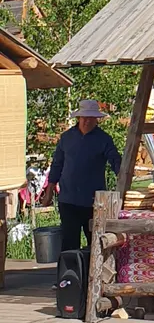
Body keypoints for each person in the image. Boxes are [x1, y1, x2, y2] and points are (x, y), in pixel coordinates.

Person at [40, 99, 122, 251]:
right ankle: (71, 267)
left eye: (91, 118)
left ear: (96, 119)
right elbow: (57, 165)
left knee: (96, 243)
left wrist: (123, 178)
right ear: (78, 118)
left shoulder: (104, 139)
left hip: (93, 202)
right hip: (68, 199)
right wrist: (49, 191)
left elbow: (115, 161)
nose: (87, 121)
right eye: (84, 117)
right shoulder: (67, 138)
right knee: (70, 244)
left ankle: (91, 267)